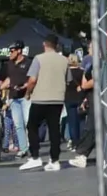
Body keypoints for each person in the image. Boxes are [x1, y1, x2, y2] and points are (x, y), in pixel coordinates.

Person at [22, 35, 74, 171]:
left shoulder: (38, 59)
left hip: (40, 98)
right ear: (57, 45)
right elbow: (68, 80)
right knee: (54, 129)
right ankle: (55, 160)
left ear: (44, 44)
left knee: (32, 126)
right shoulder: (64, 60)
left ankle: (35, 156)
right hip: (57, 99)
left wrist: (28, 93)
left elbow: (32, 80)